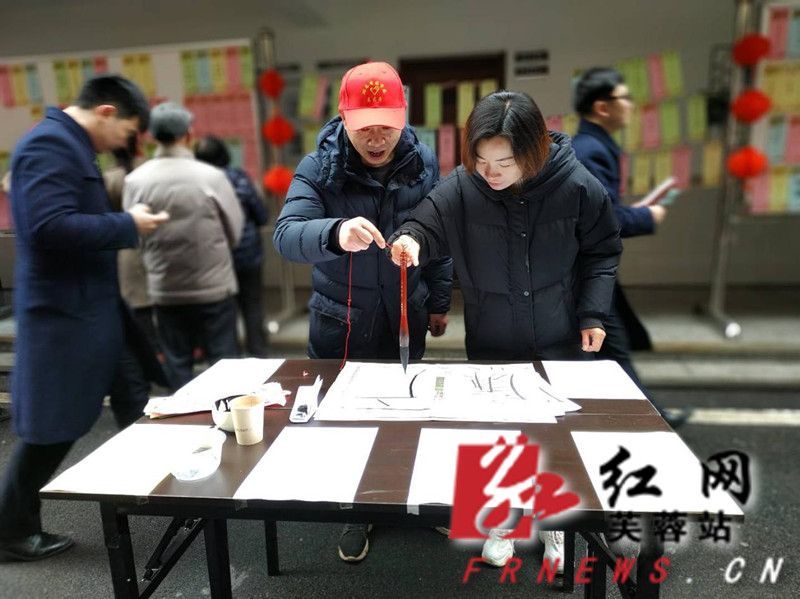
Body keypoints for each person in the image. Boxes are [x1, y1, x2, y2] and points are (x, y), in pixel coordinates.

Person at [389, 90, 622, 570]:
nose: (490, 173)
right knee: (497, 435)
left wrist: (593, 315)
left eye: (504, 162)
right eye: (480, 160)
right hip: (492, 339)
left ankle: (554, 523)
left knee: (552, 436)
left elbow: (602, 251)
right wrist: (409, 240)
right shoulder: (463, 187)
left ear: (533, 151)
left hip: (557, 335)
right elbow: (425, 224)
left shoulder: (577, 184)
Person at [273, 61, 453, 563]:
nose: (376, 140)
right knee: (348, 420)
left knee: (409, 410)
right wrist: (334, 232)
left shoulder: (422, 162)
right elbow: (286, 235)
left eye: (387, 127)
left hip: (406, 311)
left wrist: (439, 300)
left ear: (403, 118)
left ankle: (412, 499)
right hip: (342, 321)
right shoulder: (319, 167)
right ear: (344, 120)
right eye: (364, 128)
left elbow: (438, 234)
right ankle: (357, 508)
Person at [0, 75, 169, 562]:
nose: (123, 144)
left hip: (91, 306)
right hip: (64, 312)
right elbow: (48, 226)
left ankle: (158, 491)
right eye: (127, 132)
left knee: (133, 390)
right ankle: (10, 529)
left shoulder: (68, 143)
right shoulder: (50, 145)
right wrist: (127, 224)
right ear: (108, 112)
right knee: (52, 427)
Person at [571, 68, 690, 428]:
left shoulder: (594, 146)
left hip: (591, 270)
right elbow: (602, 220)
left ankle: (646, 417)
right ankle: (650, 420)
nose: (631, 106)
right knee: (611, 350)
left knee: (609, 351)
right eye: (625, 98)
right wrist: (646, 216)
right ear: (602, 107)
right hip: (587, 271)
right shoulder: (591, 151)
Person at [123, 103, 244, 391]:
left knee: (177, 365)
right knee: (224, 366)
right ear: (188, 134)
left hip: (165, 290)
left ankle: (182, 416)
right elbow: (235, 231)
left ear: (152, 136)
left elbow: (134, 235)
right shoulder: (211, 176)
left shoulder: (135, 181)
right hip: (214, 287)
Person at [195, 135, 270, 357]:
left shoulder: (197, 183)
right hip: (248, 255)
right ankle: (259, 356)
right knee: (252, 306)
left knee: (224, 311)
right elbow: (261, 215)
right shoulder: (239, 178)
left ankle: (230, 359)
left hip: (215, 256)